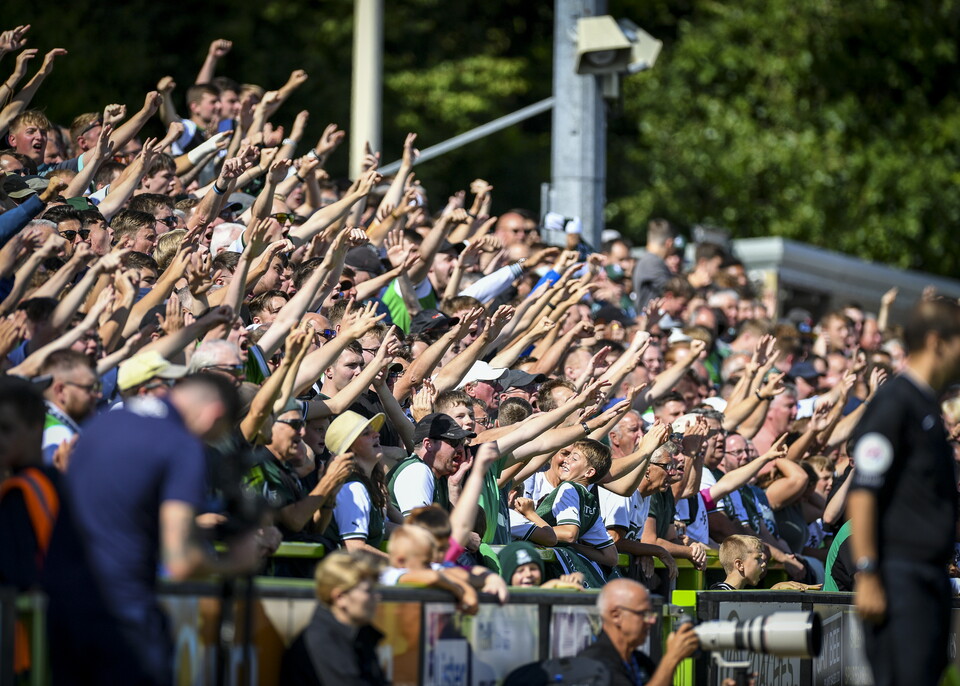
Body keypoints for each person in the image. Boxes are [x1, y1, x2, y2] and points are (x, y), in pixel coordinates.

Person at [65, 374, 261, 686]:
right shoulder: (181, 444)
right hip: (125, 612)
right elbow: (180, 562)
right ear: (213, 414)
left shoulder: (104, 423)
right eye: (214, 436)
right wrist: (237, 562)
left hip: (65, 603)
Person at [849, 297, 960, 686]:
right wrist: (868, 573)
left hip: (928, 579)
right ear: (937, 341)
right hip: (899, 580)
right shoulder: (895, 403)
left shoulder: (925, 404)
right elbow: (863, 493)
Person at [280, 549, 389, 686]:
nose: (377, 597)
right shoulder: (321, 640)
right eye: (368, 591)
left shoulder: (359, 633)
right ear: (340, 597)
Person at [577, 578, 699, 686]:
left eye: (651, 613)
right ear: (616, 616)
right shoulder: (593, 664)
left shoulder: (639, 660)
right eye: (643, 614)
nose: (651, 620)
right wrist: (671, 658)